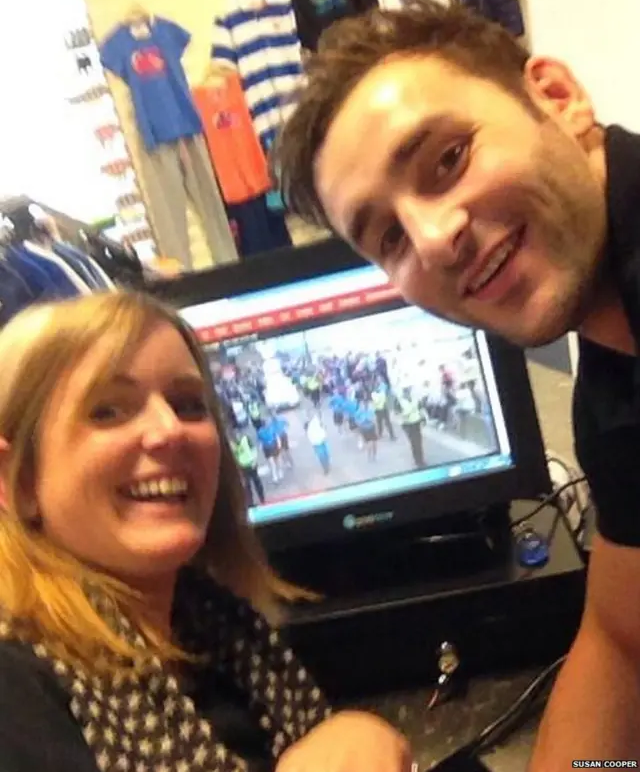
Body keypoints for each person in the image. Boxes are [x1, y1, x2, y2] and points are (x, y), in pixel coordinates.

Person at [276, 0, 640, 768]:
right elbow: (622, 637)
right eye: (388, 236)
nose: (435, 240)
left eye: (448, 158)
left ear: (557, 96)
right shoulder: (612, 384)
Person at [0, 291, 411, 772]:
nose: (168, 430)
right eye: (108, 410)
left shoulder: (220, 633)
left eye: (188, 404)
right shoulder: (15, 692)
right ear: (19, 480)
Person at [231, 429, 266, 505]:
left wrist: (254, 460)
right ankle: (250, 503)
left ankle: (262, 499)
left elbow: (253, 449)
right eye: (235, 437)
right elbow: (236, 456)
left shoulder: (246, 439)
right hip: (243, 467)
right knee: (247, 485)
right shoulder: (234, 445)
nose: (237, 438)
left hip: (251, 464)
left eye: (237, 436)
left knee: (257, 482)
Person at [398, 387, 426, 468]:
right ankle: (417, 460)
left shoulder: (415, 399)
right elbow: (397, 413)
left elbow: (420, 409)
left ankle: (421, 459)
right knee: (414, 443)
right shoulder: (400, 401)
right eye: (406, 392)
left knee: (419, 442)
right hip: (407, 425)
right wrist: (406, 413)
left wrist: (423, 418)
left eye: (409, 391)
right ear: (404, 392)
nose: (408, 393)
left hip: (416, 423)